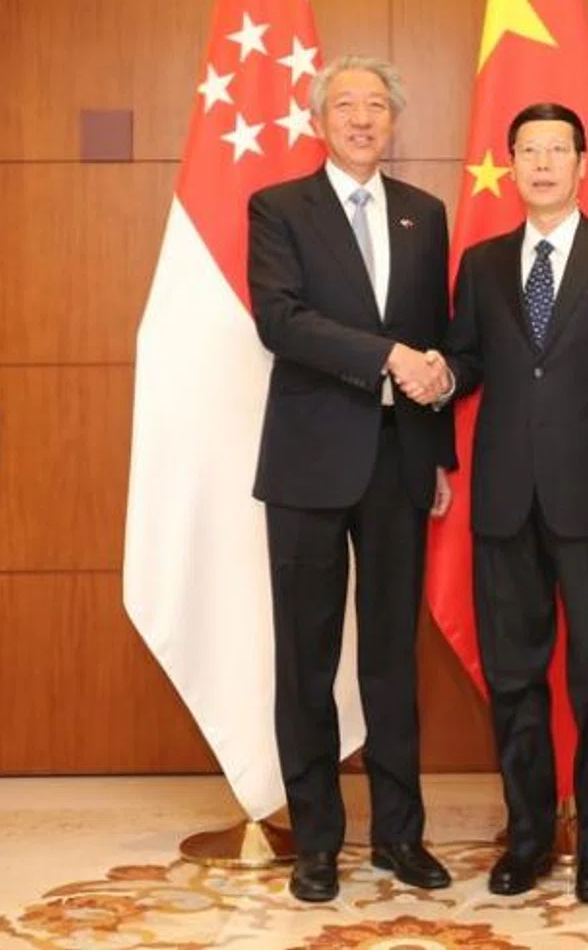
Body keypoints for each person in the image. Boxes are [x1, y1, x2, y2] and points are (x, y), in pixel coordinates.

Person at [438, 100, 588, 906]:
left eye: (556, 150)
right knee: (513, 679)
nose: (541, 163)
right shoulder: (482, 262)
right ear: (509, 166)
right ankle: (528, 839)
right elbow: (466, 365)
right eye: (527, 150)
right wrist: (431, 375)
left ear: (582, 163)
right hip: (504, 500)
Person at [247, 55, 457, 903]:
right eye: (346, 105)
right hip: (306, 462)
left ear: (395, 122)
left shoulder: (424, 215)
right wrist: (387, 357)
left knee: (391, 662)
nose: (363, 117)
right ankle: (318, 842)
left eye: (377, 104)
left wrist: (437, 446)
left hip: (399, 462)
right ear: (319, 119)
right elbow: (281, 320)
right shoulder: (279, 208)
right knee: (306, 659)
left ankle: (399, 837)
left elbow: (434, 336)